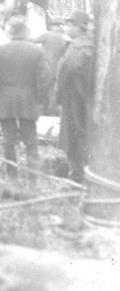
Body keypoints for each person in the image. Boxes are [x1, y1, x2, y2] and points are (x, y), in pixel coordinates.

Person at [0, 17, 53, 182]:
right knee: (31, 143)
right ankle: (33, 182)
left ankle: (12, 180)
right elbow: (48, 76)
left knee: (8, 142)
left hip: (5, 101)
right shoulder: (36, 51)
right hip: (28, 101)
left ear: (9, 32)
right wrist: (38, 96)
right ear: (25, 32)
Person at [56, 10, 94, 183]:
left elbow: (68, 70)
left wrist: (58, 95)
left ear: (79, 28)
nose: (66, 28)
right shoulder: (93, 45)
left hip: (73, 98)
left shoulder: (77, 47)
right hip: (88, 99)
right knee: (85, 135)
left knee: (72, 138)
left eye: (70, 25)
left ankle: (77, 177)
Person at [32, 18, 70, 115]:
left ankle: (42, 111)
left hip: (46, 67)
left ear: (52, 26)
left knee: (43, 89)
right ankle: (51, 112)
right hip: (58, 68)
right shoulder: (64, 38)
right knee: (53, 90)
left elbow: (32, 41)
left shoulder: (47, 35)